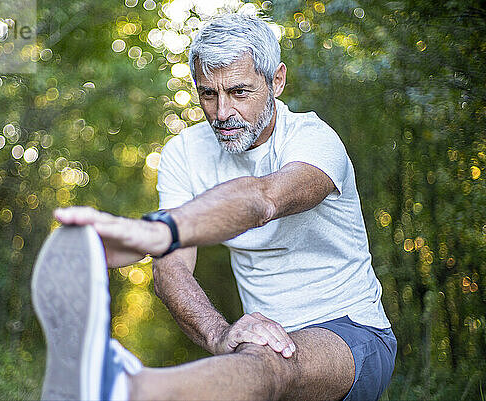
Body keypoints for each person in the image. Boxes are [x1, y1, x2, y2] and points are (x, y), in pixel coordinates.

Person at [32, 13, 397, 401]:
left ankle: (123, 388)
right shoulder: (184, 154)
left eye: (239, 92)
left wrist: (159, 231)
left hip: (353, 332)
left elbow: (263, 199)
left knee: (273, 360)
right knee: (262, 355)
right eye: (209, 94)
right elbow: (171, 266)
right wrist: (220, 333)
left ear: (276, 80)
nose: (222, 113)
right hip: (259, 342)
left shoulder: (315, 141)